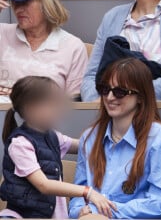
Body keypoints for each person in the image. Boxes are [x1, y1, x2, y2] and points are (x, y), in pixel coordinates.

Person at [69, 58, 161, 218]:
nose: (109, 97)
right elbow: (79, 193)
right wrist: (79, 211)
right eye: (104, 89)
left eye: (120, 92)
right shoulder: (90, 137)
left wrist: (105, 212)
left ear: (141, 97)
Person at [0, 76, 117, 219]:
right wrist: (87, 191)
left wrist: (110, 136)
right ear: (31, 108)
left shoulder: (53, 135)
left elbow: (84, 145)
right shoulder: (20, 144)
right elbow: (43, 185)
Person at [0, 0, 88, 103]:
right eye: (15, 1)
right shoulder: (2, 33)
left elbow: (74, 106)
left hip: (44, 122)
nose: (18, 8)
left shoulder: (72, 47)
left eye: (25, 1)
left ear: (47, 4)